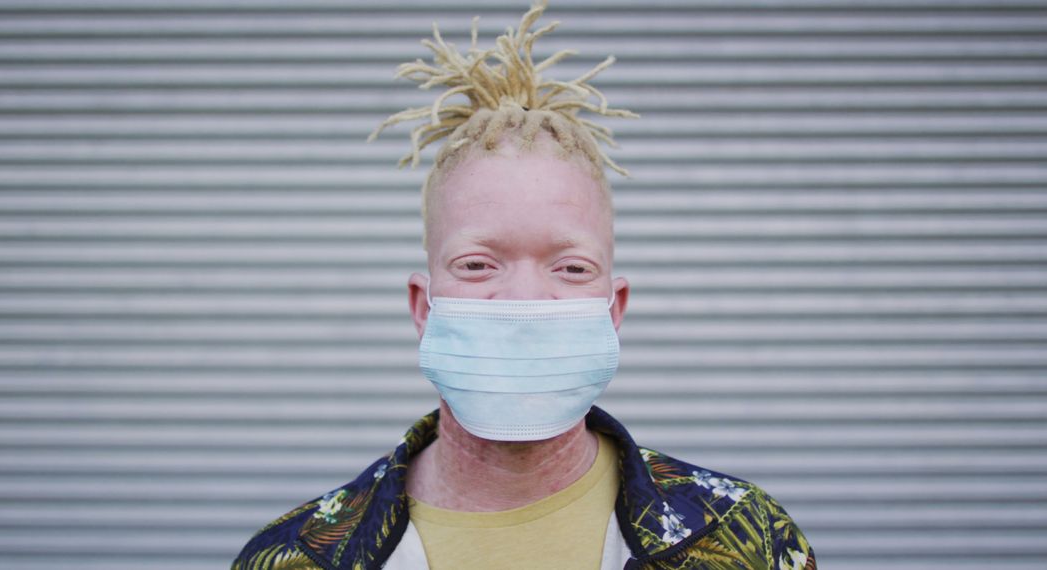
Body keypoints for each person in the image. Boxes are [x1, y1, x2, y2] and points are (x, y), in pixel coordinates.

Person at [232, 3, 814, 569]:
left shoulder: (747, 539)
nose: (524, 302)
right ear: (422, 306)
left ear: (614, 309)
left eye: (571, 269)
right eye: (479, 265)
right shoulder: (299, 557)